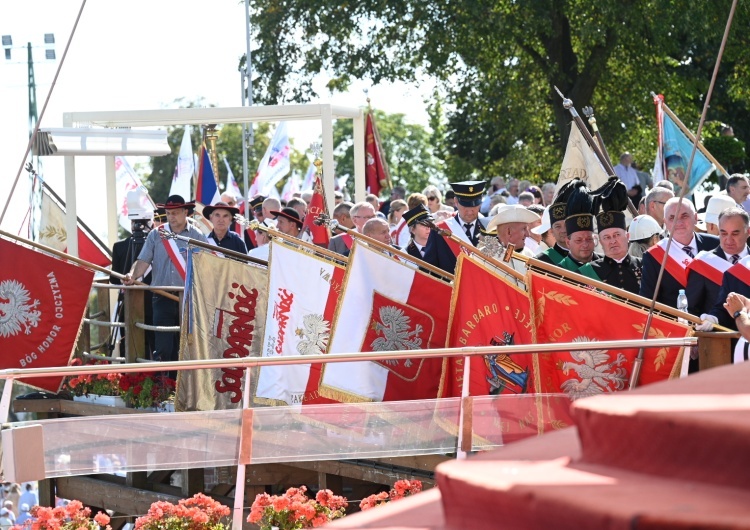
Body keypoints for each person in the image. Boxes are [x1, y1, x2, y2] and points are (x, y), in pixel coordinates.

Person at [123, 195, 208, 363]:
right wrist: (132, 275)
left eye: (175, 213)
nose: (171, 217)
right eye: (168, 213)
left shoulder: (197, 235)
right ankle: (163, 387)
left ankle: (184, 388)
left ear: (186, 212)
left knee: (188, 347)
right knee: (163, 347)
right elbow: (143, 261)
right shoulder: (156, 234)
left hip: (188, 298)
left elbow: (207, 265)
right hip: (161, 296)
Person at [640, 197, 719, 308]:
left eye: (684, 216)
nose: (679, 222)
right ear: (665, 222)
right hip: (677, 323)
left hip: (715, 322)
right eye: (672, 218)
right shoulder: (653, 256)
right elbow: (647, 301)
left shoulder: (715, 244)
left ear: (695, 218)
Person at [111, 190, 156, 357]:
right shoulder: (154, 245)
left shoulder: (119, 246)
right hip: (143, 303)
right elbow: (116, 279)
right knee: (150, 342)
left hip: (131, 303)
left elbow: (113, 280)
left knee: (129, 342)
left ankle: (127, 377)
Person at [688, 207, 750, 319]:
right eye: (724, 233)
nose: (729, 240)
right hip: (716, 334)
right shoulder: (704, 263)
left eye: (735, 234)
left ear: (748, 232)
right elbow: (691, 308)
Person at [590, 187, 642, 295]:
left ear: (627, 236)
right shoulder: (589, 271)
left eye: (617, 235)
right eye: (607, 237)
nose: (612, 241)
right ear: (600, 242)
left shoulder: (644, 266)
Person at [435, 181, 488, 248]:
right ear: (456, 201)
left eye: (474, 207)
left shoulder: (490, 229)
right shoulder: (440, 230)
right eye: (465, 206)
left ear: (480, 202)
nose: (469, 212)